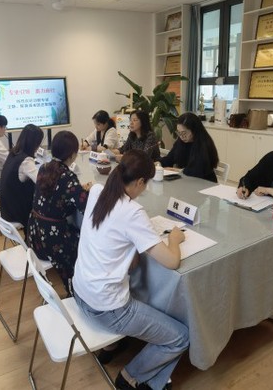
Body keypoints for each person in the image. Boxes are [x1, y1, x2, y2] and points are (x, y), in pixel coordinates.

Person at [72, 150, 189, 390]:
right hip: (106, 308)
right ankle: (130, 377)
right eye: (145, 185)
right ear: (140, 182)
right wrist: (174, 239)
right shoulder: (133, 212)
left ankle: (132, 362)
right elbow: (171, 262)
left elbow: (127, 254)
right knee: (180, 337)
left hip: (81, 292)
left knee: (139, 285)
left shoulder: (97, 191)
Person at [28, 131, 90, 296]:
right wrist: (87, 192)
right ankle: (78, 290)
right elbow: (85, 206)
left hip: (35, 236)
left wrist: (78, 191)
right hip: (52, 241)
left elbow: (55, 196)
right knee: (88, 242)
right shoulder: (68, 177)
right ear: (73, 154)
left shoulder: (43, 168)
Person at [0, 124, 44, 229]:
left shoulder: (13, 153)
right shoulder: (26, 161)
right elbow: (41, 181)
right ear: (34, 143)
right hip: (16, 212)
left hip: (6, 208)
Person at [160, 112, 220, 182]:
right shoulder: (181, 141)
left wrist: (177, 170)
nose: (182, 136)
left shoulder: (204, 144)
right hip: (187, 181)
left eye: (184, 133)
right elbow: (170, 158)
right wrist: (159, 163)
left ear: (194, 130)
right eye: (179, 133)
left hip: (205, 182)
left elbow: (197, 171)